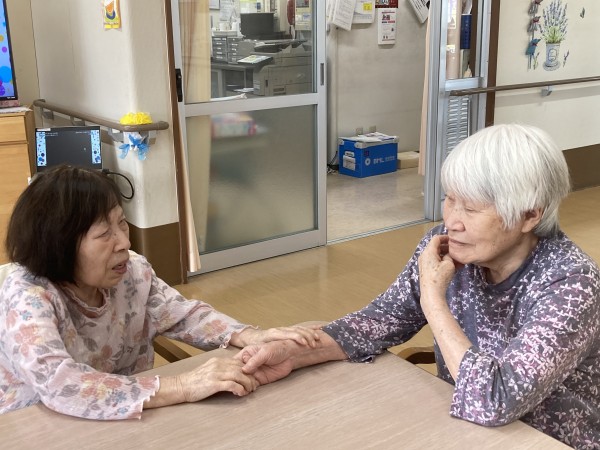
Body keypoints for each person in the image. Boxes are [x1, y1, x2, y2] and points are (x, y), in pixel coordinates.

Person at [237, 124, 600, 449]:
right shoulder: (446, 246)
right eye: (450, 199)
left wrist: (432, 298)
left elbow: (494, 399)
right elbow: (378, 322)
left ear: (530, 214)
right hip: (467, 431)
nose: (452, 221)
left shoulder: (571, 284)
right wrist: (293, 354)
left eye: (472, 209)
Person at [0, 165, 319, 420]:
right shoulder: (28, 294)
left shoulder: (131, 272)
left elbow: (184, 316)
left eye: (122, 224)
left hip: (130, 418)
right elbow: (61, 384)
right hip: (35, 424)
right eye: (104, 233)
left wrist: (248, 335)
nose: (124, 242)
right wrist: (182, 384)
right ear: (59, 244)